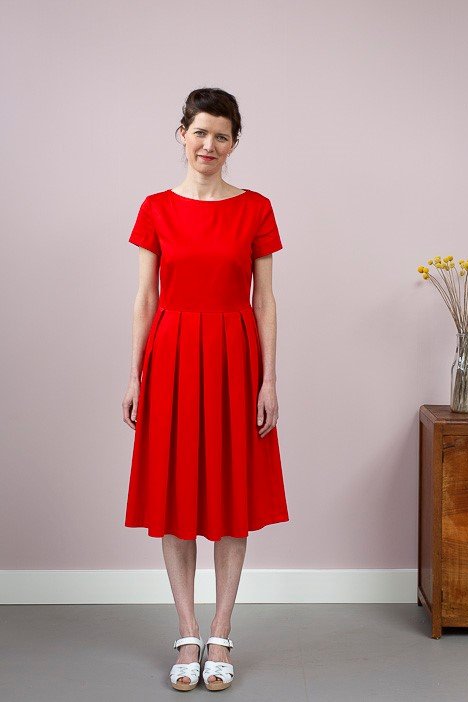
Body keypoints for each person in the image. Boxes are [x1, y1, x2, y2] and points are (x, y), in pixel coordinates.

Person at [122, 87, 289, 691]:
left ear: (233, 143)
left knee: (231, 494)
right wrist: (136, 375)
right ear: (182, 135)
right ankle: (187, 633)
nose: (208, 145)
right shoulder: (155, 208)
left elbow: (264, 300)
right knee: (176, 495)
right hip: (171, 358)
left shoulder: (256, 208)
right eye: (199, 132)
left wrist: (269, 379)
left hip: (234, 359)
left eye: (221, 136)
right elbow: (146, 297)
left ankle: (221, 631)